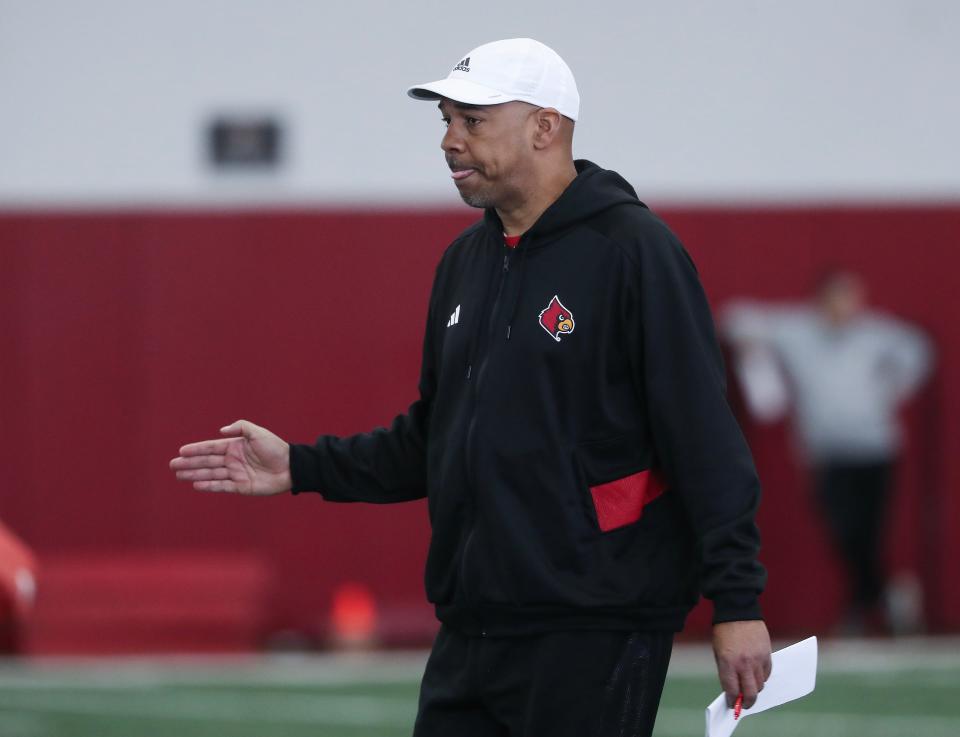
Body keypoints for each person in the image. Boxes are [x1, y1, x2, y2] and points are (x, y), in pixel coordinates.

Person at [171, 38, 771, 737]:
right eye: (447, 121)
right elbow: (436, 434)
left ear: (545, 127)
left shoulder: (635, 252)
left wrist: (737, 601)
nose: (451, 141)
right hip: (472, 627)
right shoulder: (465, 262)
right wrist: (302, 465)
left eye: (474, 121)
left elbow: (703, 439)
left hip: (596, 626)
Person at [720, 269, 935, 635]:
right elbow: (735, 318)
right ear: (821, 299)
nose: (846, 306)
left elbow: (918, 348)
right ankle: (885, 595)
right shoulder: (798, 331)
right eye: (839, 297)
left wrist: (893, 389)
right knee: (842, 530)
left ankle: (860, 606)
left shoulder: (875, 333)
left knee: (868, 533)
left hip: (875, 448)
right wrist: (751, 348)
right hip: (827, 452)